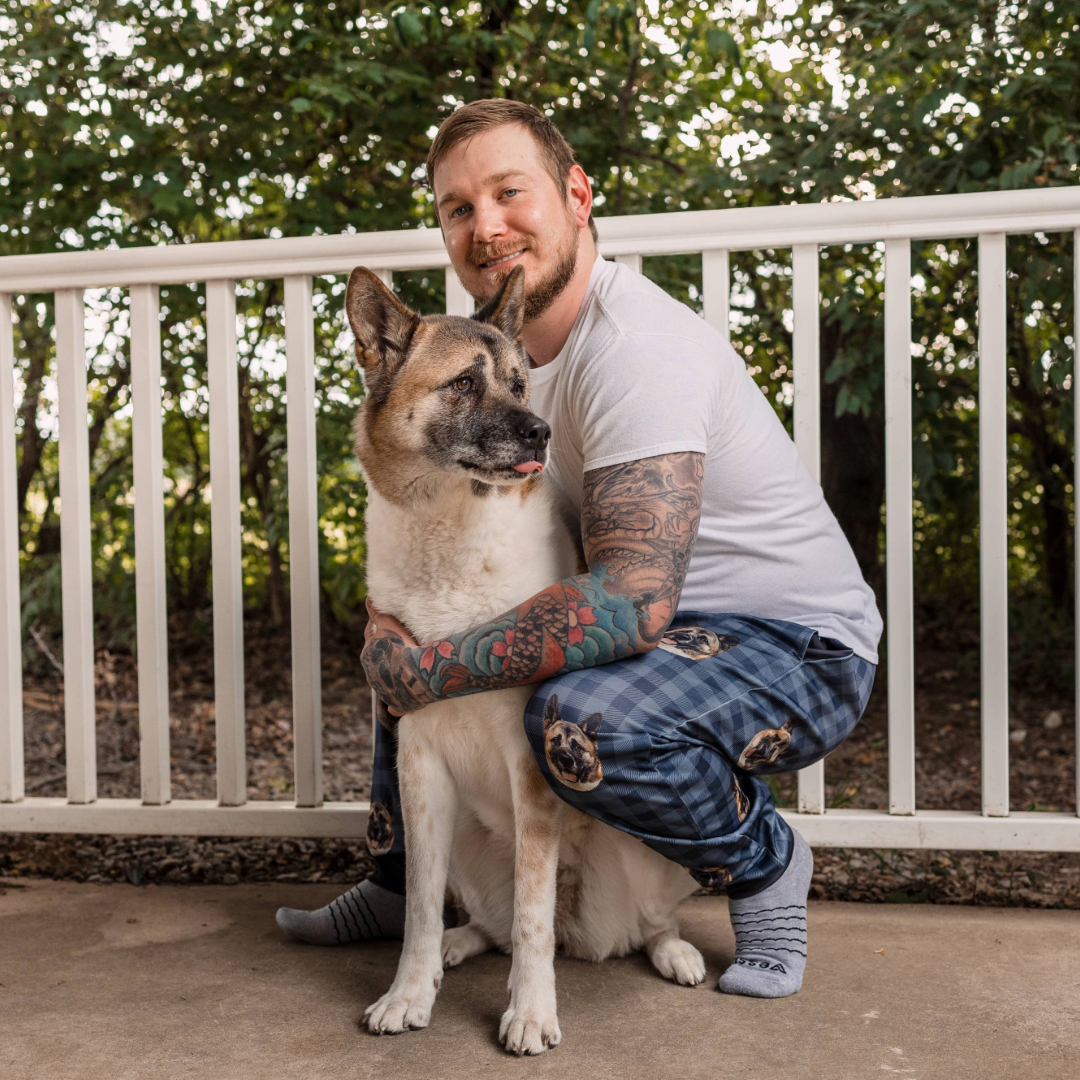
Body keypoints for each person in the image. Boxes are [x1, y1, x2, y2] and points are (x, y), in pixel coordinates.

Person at [276, 99, 881, 999]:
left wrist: (433, 669)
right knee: (410, 632)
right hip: (672, 624)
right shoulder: (502, 345)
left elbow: (630, 603)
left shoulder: (638, 350)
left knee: (577, 718)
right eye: (457, 207)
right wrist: (404, 636)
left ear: (577, 193)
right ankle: (401, 883)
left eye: (509, 192)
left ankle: (765, 863)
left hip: (792, 642)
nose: (485, 226)